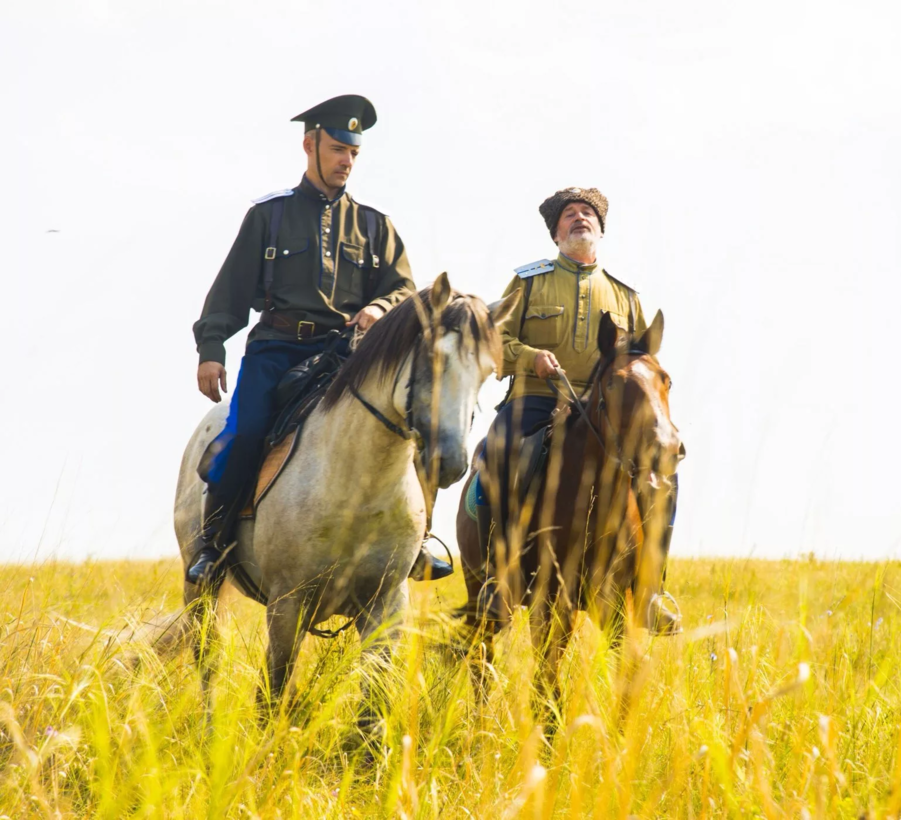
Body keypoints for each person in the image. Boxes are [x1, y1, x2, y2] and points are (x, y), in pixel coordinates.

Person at [187, 94, 452, 586]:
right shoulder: (268, 216)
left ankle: (419, 538)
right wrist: (211, 350)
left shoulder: (376, 224)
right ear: (309, 145)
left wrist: (378, 307)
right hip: (276, 351)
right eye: (336, 149)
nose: (346, 161)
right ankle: (216, 543)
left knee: (414, 426)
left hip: (348, 357)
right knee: (245, 434)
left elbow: (403, 289)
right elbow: (229, 290)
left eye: (353, 153)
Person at [473, 186, 681, 634]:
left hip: (606, 409)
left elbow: (643, 360)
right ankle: (496, 577)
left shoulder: (626, 296)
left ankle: (652, 591)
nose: (580, 218)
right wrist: (530, 357)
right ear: (556, 233)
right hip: (535, 398)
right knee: (500, 454)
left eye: (588, 213)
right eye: (570, 215)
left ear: (600, 230)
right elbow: (494, 339)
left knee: (663, 475)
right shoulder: (528, 282)